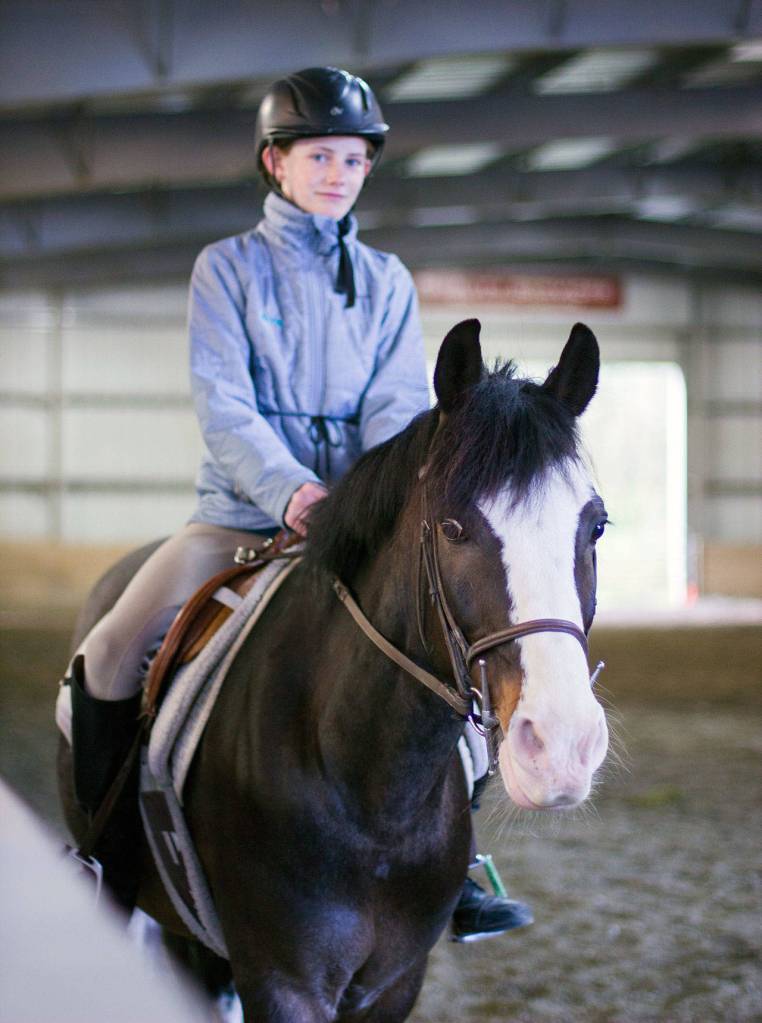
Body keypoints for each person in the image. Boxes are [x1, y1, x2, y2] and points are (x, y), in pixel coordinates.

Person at [63, 66, 531, 941]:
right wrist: (294, 492)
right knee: (110, 650)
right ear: (274, 164)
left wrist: (363, 498)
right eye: (319, 155)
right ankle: (102, 852)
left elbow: (398, 402)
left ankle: (456, 864)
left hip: (357, 524)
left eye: (354, 160)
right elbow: (225, 404)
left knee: (452, 666)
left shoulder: (387, 281)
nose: (337, 174)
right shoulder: (226, 270)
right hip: (237, 518)